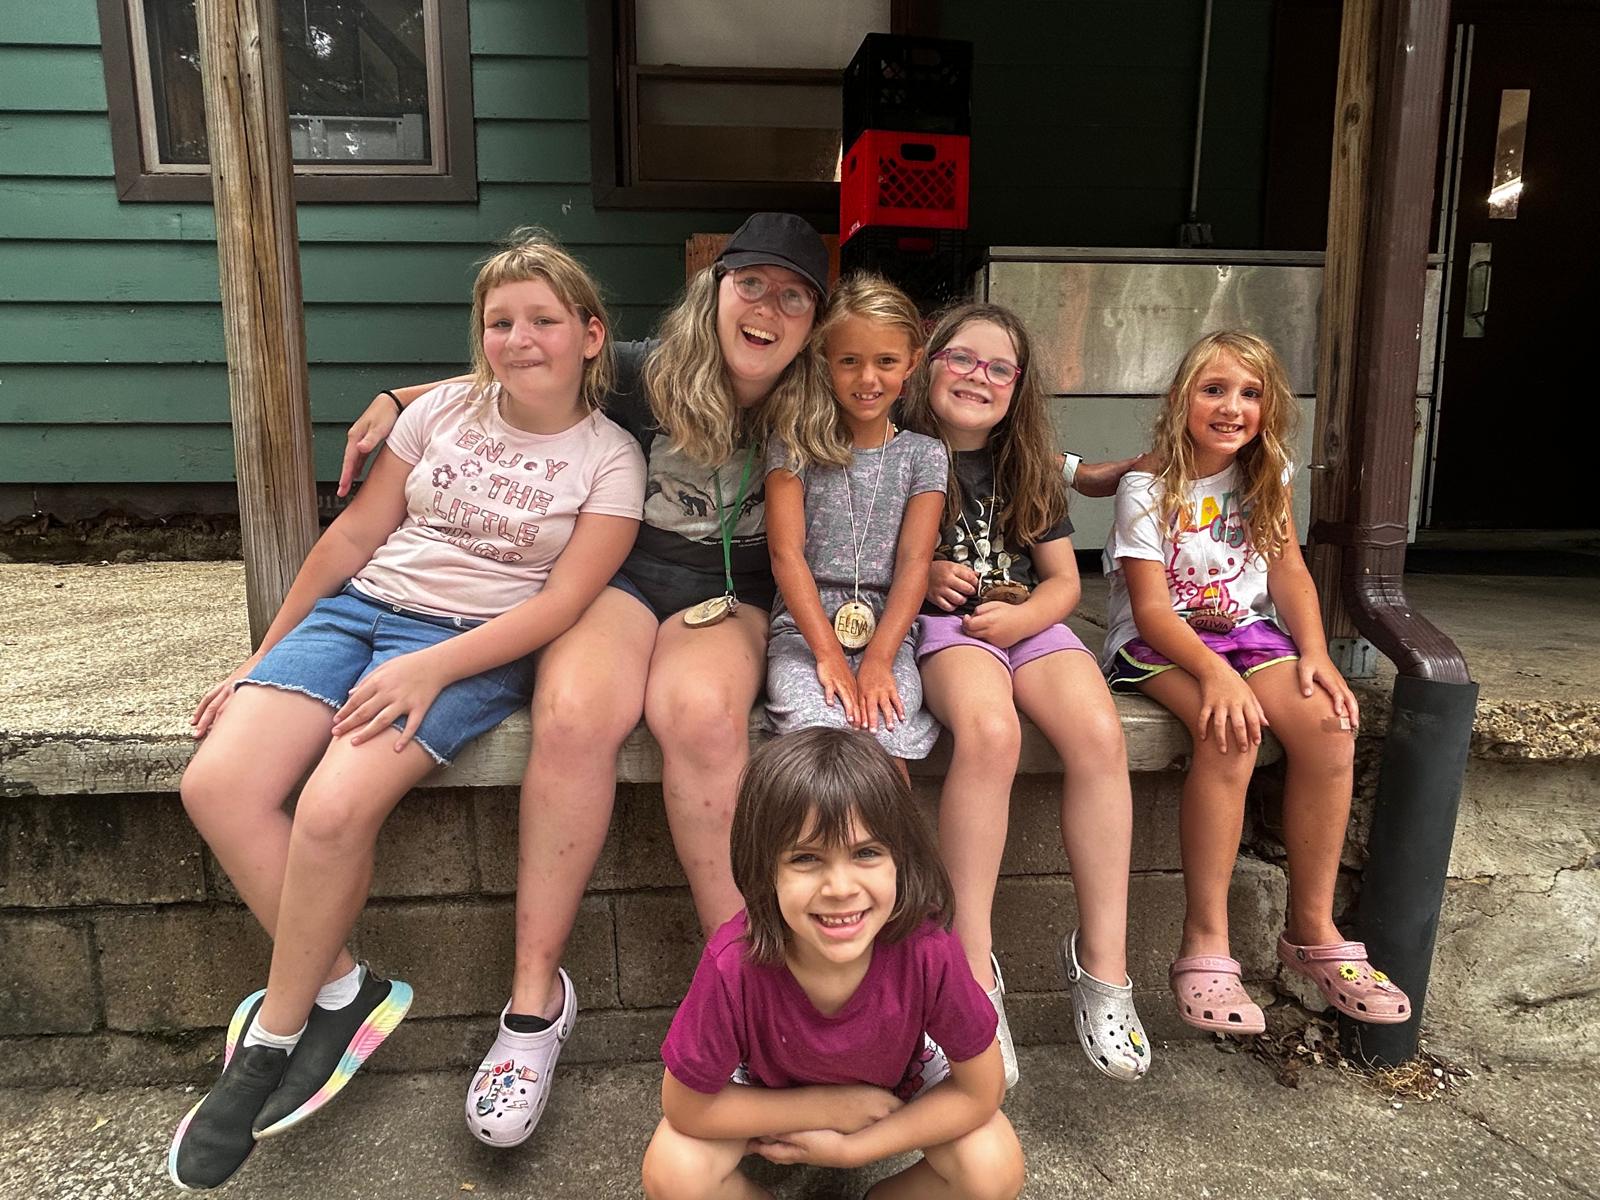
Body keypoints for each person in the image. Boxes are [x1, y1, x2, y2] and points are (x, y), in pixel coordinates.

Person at [337, 213, 832, 1146]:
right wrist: (405, 398)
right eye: (752, 284)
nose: (768, 307)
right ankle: (534, 1005)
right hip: (615, 574)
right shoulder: (650, 363)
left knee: (700, 716)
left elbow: (916, 416)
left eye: (794, 295)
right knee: (571, 714)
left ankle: (741, 990)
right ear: (716, 290)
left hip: (728, 593)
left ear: (814, 320)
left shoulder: (818, 393)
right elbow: (534, 364)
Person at [169, 231, 645, 1188]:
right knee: (216, 782)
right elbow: (352, 536)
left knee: (336, 807)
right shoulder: (442, 414)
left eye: (543, 321)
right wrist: (261, 657)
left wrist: (432, 671)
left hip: (476, 640)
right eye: (499, 321)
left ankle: (274, 1032)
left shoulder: (611, 459)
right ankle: (344, 987)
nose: (518, 339)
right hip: (358, 612)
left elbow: (559, 605)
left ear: (592, 336)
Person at [1102, 329, 1411, 1035]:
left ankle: (1312, 928)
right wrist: (1213, 674)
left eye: (1250, 393)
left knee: (1333, 726)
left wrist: (1316, 653)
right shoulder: (1147, 487)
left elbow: (1288, 571)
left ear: (1269, 407)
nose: (1231, 407)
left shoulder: (1267, 475)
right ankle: (1204, 942)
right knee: (1230, 732)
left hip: (1246, 633)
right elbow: (1150, 609)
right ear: (1182, 399)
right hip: (1161, 642)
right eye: (1213, 390)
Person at [898, 303, 1148, 1088]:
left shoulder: (1027, 464)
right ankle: (973, 972)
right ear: (928, 364)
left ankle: (1103, 965)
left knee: (1101, 737)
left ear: (1018, 387)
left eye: (998, 367)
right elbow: (870, 555)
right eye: (961, 359)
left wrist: (1028, 619)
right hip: (941, 629)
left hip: (1028, 619)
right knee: (990, 732)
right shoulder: (896, 452)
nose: (978, 376)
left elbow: (1066, 583)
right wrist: (926, 575)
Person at [641, 727, 1024, 1200]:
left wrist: (855, 1149)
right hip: (766, 1093)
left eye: (866, 852)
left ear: (901, 859)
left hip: (897, 1091)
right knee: (673, 1169)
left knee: (994, 1165)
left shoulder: (927, 947)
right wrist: (826, 1106)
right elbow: (685, 1107)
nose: (840, 887)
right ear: (765, 869)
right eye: (806, 858)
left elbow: (981, 1092)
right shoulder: (733, 963)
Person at [764, 274, 947, 765]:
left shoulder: (923, 455)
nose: (868, 379)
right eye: (850, 361)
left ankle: (886, 845)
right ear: (825, 362)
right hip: (804, 631)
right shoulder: (794, 444)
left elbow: (914, 561)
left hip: (889, 629)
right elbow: (786, 554)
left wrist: (881, 659)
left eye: (886, 362)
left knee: (886, 741)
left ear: (911, 362)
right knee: (818, 745)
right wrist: (826, 654)